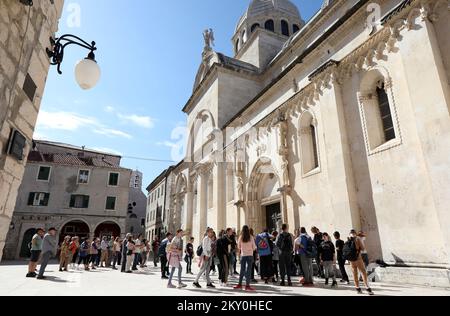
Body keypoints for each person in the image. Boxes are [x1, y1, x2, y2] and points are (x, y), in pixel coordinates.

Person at [346, 230, 374, 295]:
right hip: (358, 259)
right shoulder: (357, 239)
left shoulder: (348, 240)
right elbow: (363, 248)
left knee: (355, 274)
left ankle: (358, 289)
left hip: (351, 260)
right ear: (355, 234)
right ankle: (368, 289)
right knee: (363, 273)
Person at [234, 225, 257, 291]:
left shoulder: (241, 237)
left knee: (242, 270)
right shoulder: (251, 237)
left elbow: (238, 247)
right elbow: (254, 247)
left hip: (243, 255)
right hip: (250, 255)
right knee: (249, 270)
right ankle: (247, 285)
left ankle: (240, 284)